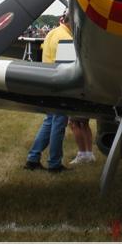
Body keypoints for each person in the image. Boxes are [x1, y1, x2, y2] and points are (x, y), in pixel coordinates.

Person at [24, 14, 72, 173]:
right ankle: (54, 163)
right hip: (59, 86)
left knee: (50, 122)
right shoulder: (65, 37)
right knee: (59, 124)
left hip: (48, 83)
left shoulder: (52, 33)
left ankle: (33, 158)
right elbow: (66, 67)